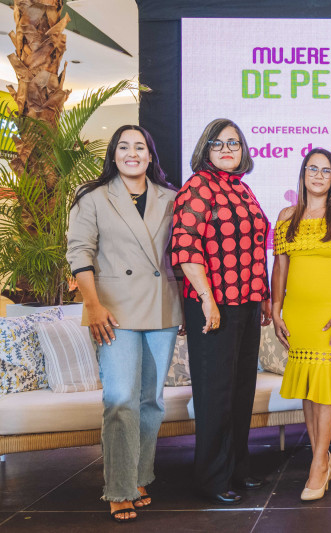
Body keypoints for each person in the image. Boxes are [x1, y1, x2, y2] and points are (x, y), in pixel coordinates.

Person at [67, 125, 181, 522]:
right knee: (119, 400)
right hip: (112, 310)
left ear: (151, 155)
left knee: (150, 400)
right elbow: (79, 252)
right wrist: (93, 305)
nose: (132, 153)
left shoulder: (172, 197)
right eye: (123, 147)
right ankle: (118, 487)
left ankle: (139, 476)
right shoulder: (92, 197)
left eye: (140, 147)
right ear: (113, 155)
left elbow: (181, 255)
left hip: (162, 308)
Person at [171, 118, 272, 505]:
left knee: (241, 390)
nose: (227, 149)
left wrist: (261, 296)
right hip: (213, 307)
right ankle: (212, 479)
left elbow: (254, 250)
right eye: (218, 143)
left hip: (245, 304)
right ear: (205, 150)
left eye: (234, 142)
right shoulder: (198, 188)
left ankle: (237, 469)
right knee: (216, 394)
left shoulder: (242, 190)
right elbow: (185, 248)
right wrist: (207, 300)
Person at [271, 148, 331, 501]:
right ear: (303, 173)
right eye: (313, 169)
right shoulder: (286, 216)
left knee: (324, 386)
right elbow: (280, 267)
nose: (319, 176)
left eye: (327, 171)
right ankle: (320, 455)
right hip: (297, 312)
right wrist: (277, 308)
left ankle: (318, 468)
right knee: (309, 389)